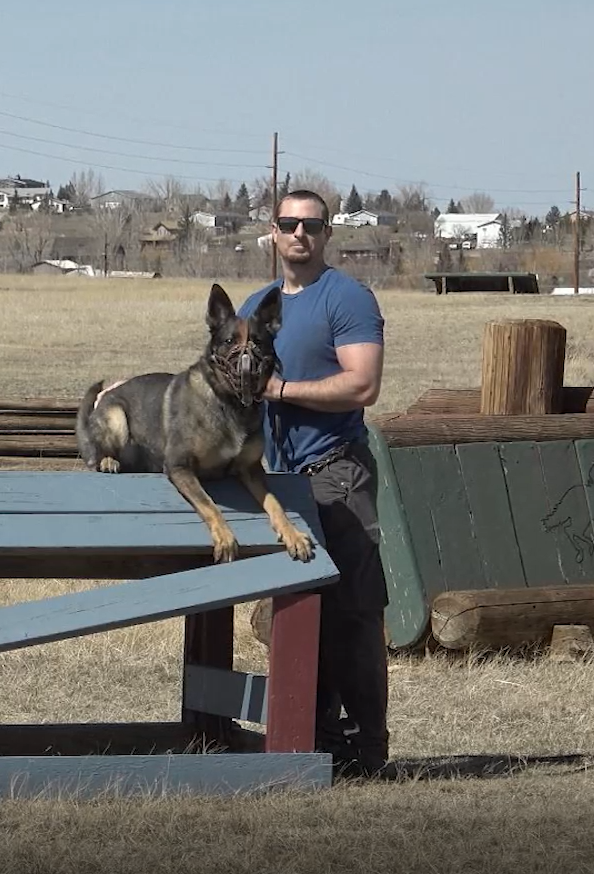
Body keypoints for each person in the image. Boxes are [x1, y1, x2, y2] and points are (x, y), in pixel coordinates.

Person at [238, 189, 393, 779]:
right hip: (276, 484)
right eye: (287, 223)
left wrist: (279, 391)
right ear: (272, 232)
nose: (299, 233)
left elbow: (361, 386)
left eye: (311, 224)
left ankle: (366, 751)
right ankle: (312, 741)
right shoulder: (259, 304)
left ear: (327, 233)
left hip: (334, 472)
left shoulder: (346, 298)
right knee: (299, 612)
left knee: (352, 614)